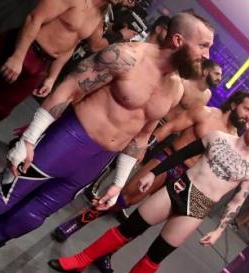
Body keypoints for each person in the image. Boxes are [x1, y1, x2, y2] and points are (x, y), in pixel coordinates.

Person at [0, 11, 215, 273]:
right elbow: (69, 88)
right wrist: (29, 139)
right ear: (178, 40)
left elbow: (142, 133)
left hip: (92, 164)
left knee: (25, 220)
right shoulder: (126, 57)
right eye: (203, 46)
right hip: (65, 143)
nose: (206, 55)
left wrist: (119, 182)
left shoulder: (175, 89)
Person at [48, 116, 249, 273]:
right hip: (179, 188)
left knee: (157, 255)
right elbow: (181, 155)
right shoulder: (217, 137)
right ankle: (81, 260)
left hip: (198, 207)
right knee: (128, 229)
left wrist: (219, 230)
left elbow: (237, 202)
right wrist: (153, 173)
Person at [51, 90, 249, 273]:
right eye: (246, 109)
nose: (248, 115)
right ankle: (74, 224)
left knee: (141, 223)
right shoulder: (205, 113)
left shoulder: (233, 139)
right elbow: (170, 127)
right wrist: (144, 147)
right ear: (234, 104)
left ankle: (106, 254)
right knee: (123, 199)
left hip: (187, 180)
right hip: (168, 161)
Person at [0, 0, 128, 187]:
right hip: (23, 48)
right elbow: (34, 18)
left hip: (41, 64)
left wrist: (52, 77)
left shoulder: (97, 16)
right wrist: (18, 55)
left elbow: (76, 45)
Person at [84, 57, 220, 200]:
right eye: (216, 73)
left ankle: (112, 192)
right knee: (126, 152)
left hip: (171, 135)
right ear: (205, 71)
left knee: (141, 164)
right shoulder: (183, 83)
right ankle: (94, 182)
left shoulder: (207, 95)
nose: (219, 78)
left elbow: (188, 118)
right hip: (156, 124)